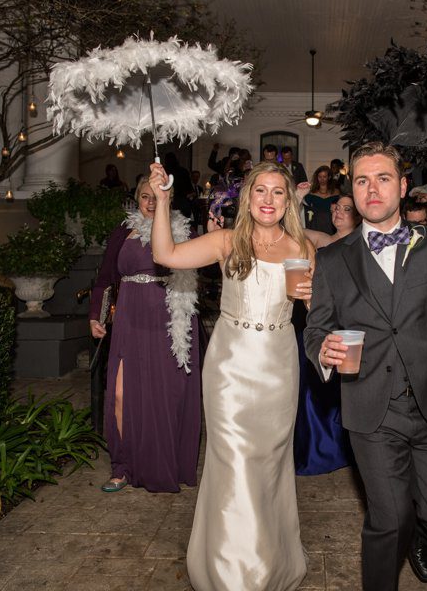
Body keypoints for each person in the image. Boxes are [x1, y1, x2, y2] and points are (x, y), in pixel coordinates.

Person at [305, 142, 427, 590]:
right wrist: (322, 351)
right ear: (352, 186)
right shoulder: (332, 258)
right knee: (388, 520)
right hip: (371, 407)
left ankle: (424, 539)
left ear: (403, 186)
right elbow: (316, 329)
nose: (373, 189)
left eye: (383, 178)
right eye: (363, 180)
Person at [149, 160, 313, 591]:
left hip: (279, 364)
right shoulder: (226, 241)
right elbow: (164, 255)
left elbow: (319, 315)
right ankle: (232, 573)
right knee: (236, 461)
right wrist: (164, 201)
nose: (268, 200)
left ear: (288, 199)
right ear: (247, 196)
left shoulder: (301, 247)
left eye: (278, 192)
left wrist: (319, 305)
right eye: (261, 190)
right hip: (230, 368)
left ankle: (271, 562)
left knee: (271, 464)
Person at [89, 176, 201, 493]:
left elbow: (202, 268)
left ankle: (161, 463)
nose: (150, 203)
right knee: (122, 393)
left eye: (157, 196)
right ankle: (122, 466)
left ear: (169, 198)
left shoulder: (184, 232)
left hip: (168, 316)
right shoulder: (123, 233)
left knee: (165, 396)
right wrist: (96, 316)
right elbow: (105, 279)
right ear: (136, 198)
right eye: (144, 196)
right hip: (129, 317)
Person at [294, 195, 362, 476]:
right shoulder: (322, 240)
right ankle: (315, 447)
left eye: (346, 209)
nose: (338, 212)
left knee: (341, 387)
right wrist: (297, 202)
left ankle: (342, 446)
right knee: (314, 386)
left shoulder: (361, 244)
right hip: (318, 318)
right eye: (336, 207)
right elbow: (293, 231)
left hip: (345, 322)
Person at [302, 165, 340, 235]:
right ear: (317, 178)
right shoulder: (310, 194)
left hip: (332, 226)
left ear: (329, 177)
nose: (322, 179)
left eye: (324, 177)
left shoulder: (336, 192)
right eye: (320, 177)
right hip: (316, 226)